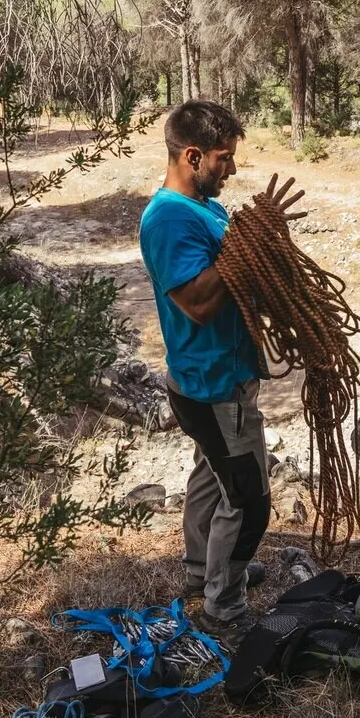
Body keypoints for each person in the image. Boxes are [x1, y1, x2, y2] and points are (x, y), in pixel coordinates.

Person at [138, 100, 306, 639]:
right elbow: (198, 303)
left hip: (210, 379)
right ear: (192, 156)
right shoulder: (168, 219)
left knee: (211, 475)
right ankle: (223, 606)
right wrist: (244, 244)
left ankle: (203, 571)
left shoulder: (204, 208)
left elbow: (235, 269)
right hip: (213, 385)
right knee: (250, 502)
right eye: (223, 158)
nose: (231, 169)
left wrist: (257, 246)